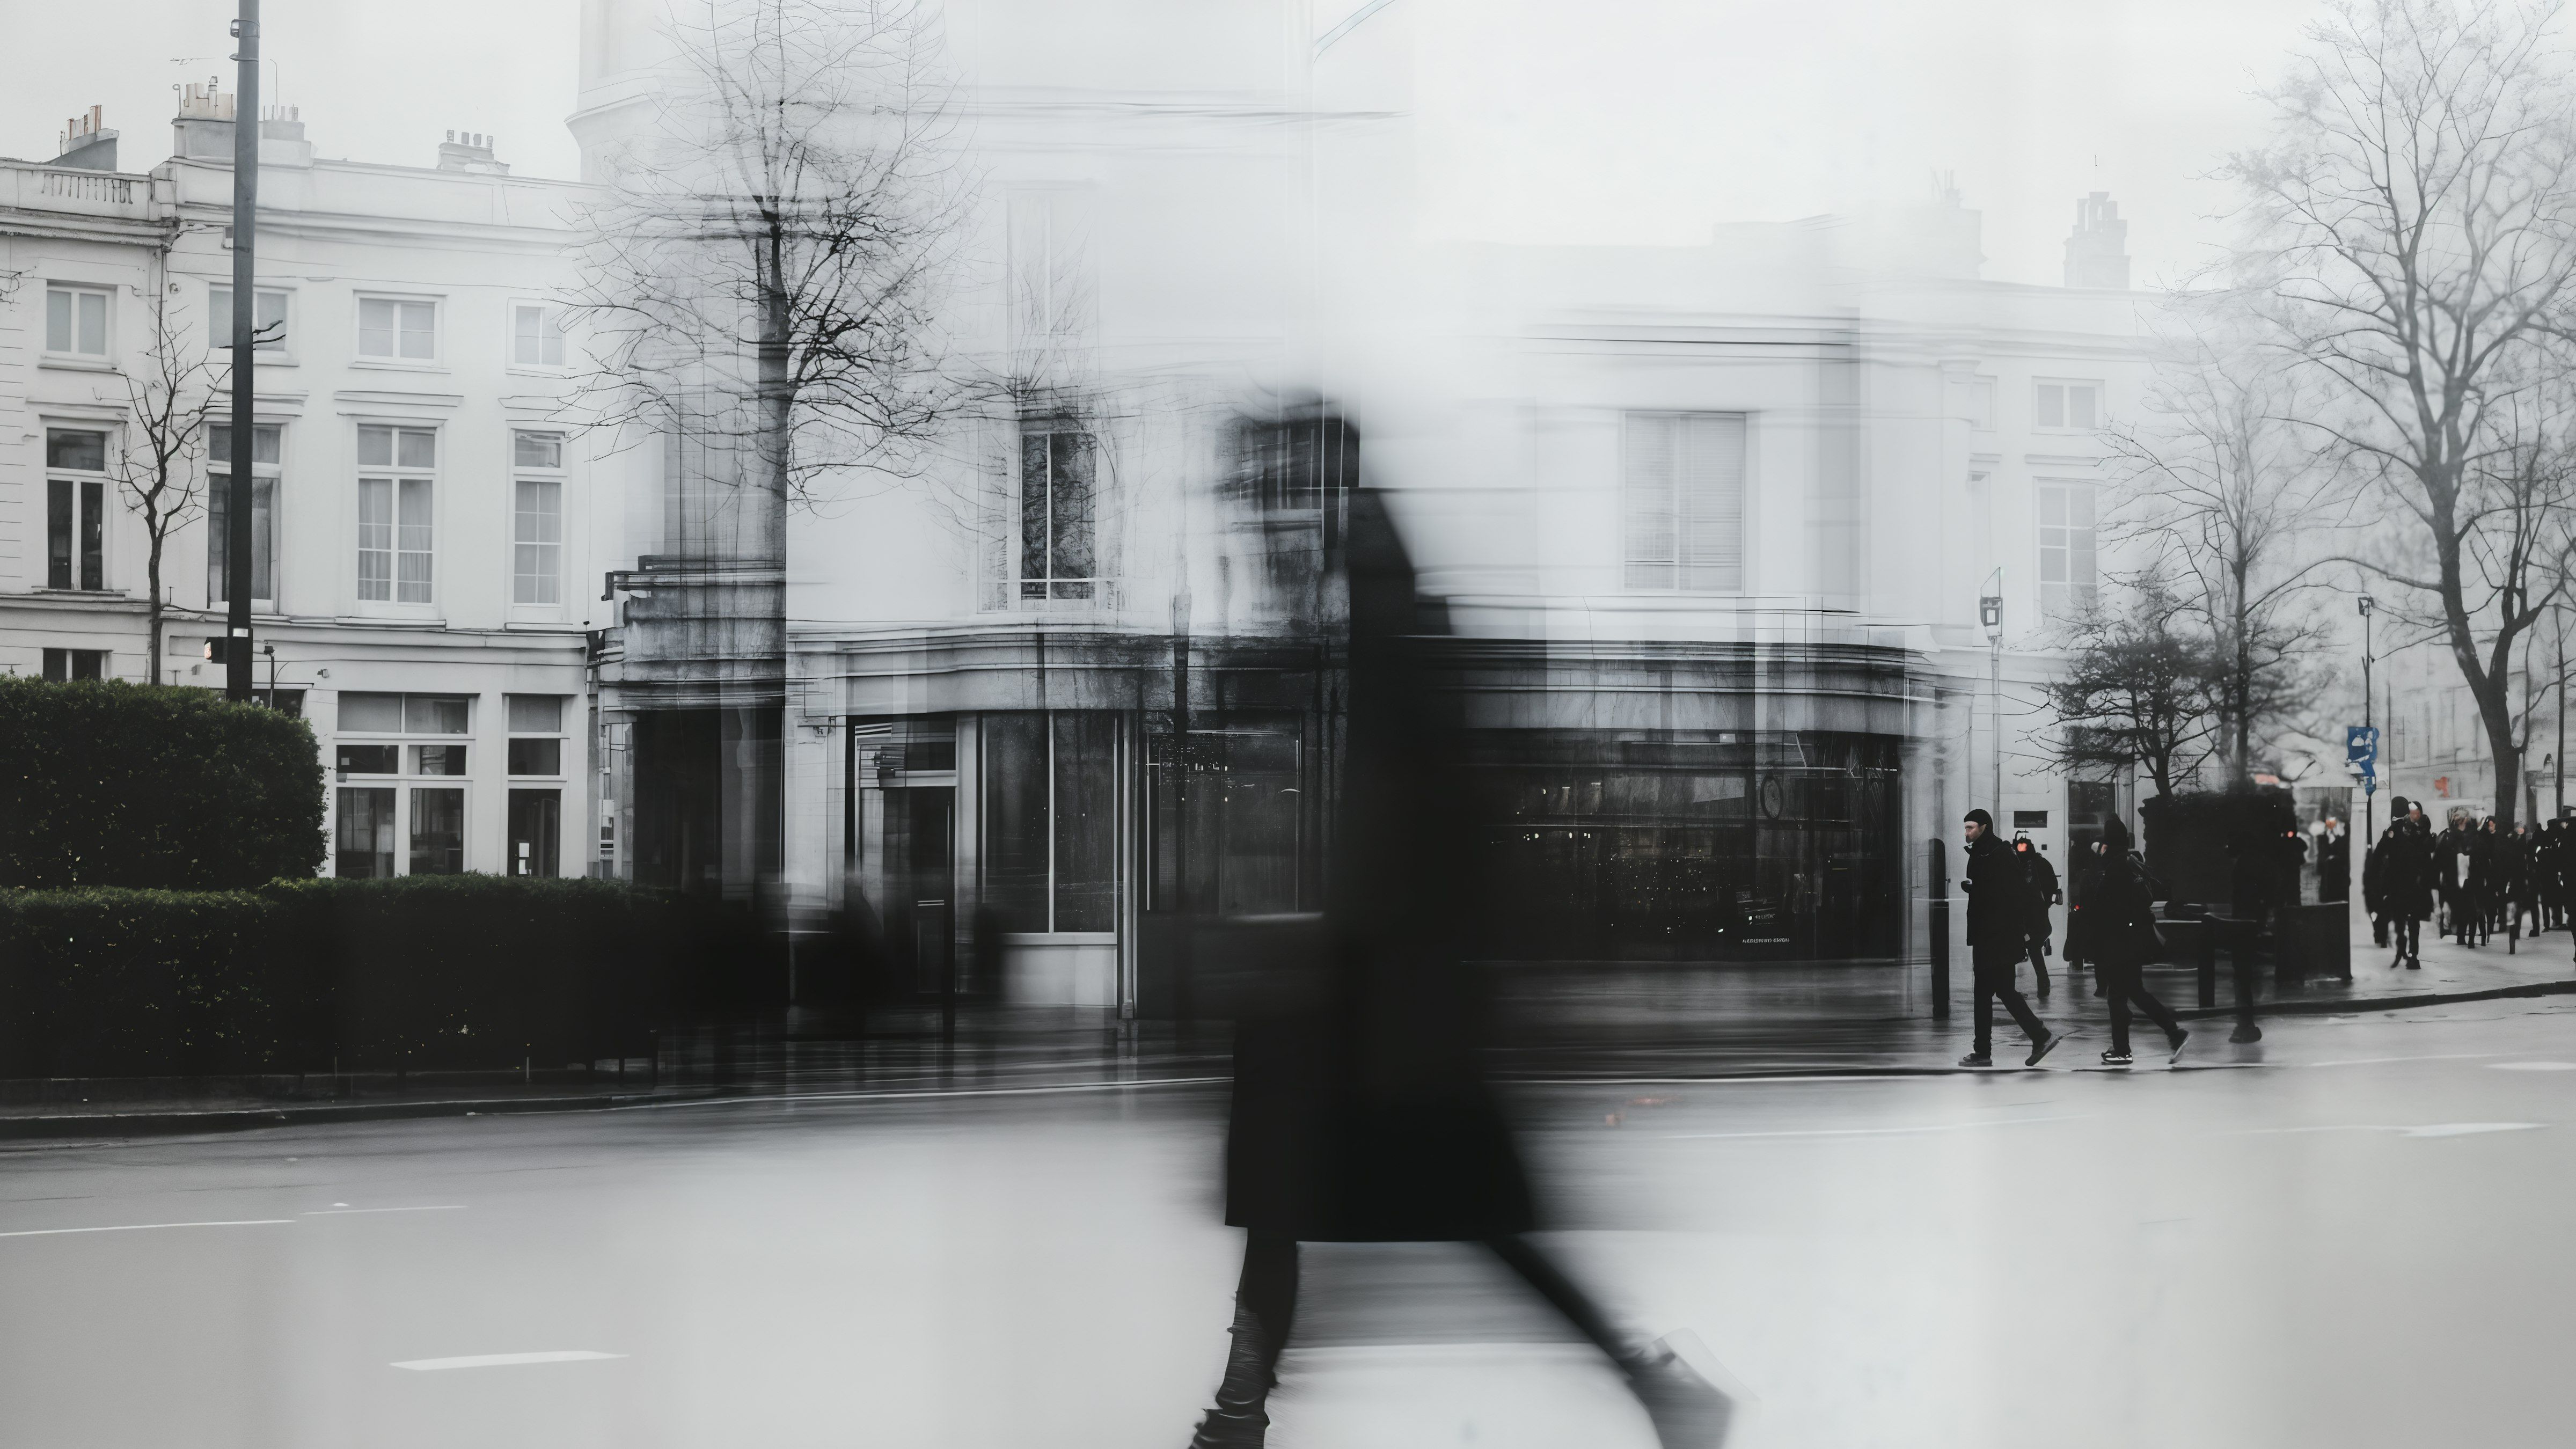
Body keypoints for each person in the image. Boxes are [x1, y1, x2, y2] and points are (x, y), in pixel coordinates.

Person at [1185, 490, 1732, 1449]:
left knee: (1363, 1213)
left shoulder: (1391, 680)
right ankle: (1238, 1413)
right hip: (1373, 1005)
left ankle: (1240, 1415)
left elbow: (1407, 858)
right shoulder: (1397, 672)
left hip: (1383, 1013)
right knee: (1414, 1220)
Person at [2067, 817, 2187, 1066]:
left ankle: (2172, 1033)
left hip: (2117, 943)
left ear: (2109, 841)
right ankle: (2124, 1048)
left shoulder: (2114, 868)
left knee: (2130, 993)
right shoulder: (2132, 863)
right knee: (2121, 996)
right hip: (2131, 941)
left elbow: (2105, 908)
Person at [1958, 809, 2061, 1069]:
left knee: (1990, 991)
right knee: (1996, 991)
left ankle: (1996, 1048)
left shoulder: (1997, 853)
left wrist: (1977, 889)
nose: (1967, 832)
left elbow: (2010, 895)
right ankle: (2029, 1039)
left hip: (1995, 935)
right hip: (1993, 934)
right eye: (1966, 828)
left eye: (1971, 827)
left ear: (1984, 827)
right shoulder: (1987, 851)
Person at [2382, 810, 2437, 969]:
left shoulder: (2418, 839)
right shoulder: (2405, 839)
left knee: (2410, 921)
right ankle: (2408, 952)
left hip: (2411, 887)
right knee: (2408, 921)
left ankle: (2410, 953)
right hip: (2408, 886)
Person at [2012, 834, 2060, 998]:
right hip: (2036, 916)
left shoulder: (2023, 865)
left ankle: (2041, 983)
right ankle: (2043, 983)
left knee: (2030, 949)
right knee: (2033, 950)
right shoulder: (2040, 864)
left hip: (2030, 917)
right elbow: (2053, 887)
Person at [2318, 819, 2349, 904]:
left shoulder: (2339, 838)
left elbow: (2342, 850)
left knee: (2336, 880)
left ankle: (2336, 896)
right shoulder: (2324, 837)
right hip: (2328, 863)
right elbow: (2322, 851)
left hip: (2337, 863)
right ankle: (2329, 896)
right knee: (2328, 880)